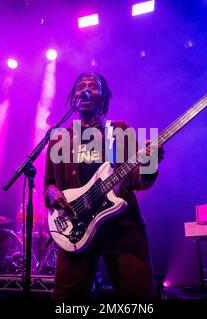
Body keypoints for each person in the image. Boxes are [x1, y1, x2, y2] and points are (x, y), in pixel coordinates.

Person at [43, 72, 164, 299]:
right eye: (80, 86)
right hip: (75, 226)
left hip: (122, 227)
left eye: (93, 86)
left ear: (103, 96)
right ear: (73, 97)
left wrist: (151, 163)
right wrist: (51, 193)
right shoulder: (59, 138)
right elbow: (48, 184)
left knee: (138, 297)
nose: (86, 89)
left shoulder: (119, 131)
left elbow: (138, 179)